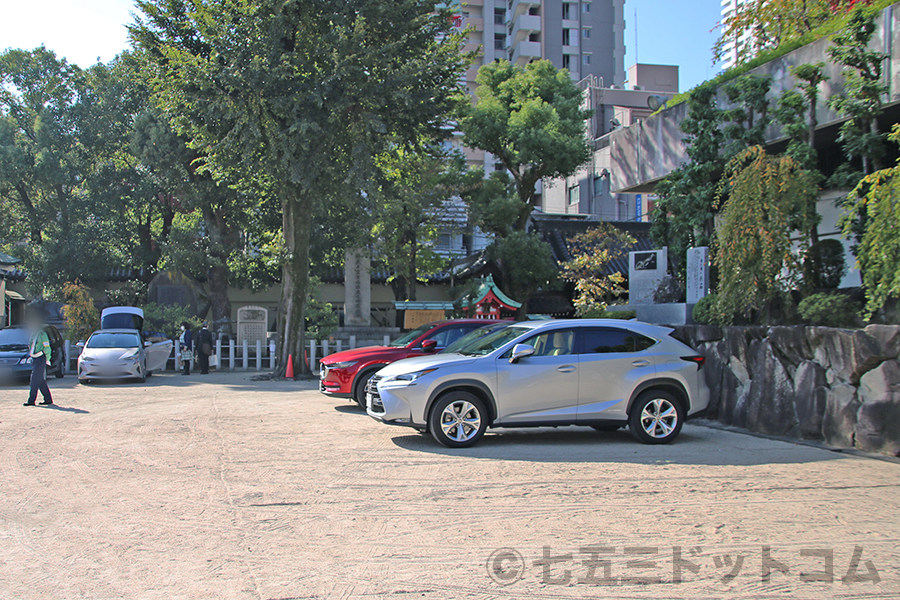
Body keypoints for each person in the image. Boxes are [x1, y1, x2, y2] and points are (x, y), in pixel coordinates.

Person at [23, 308, 53, 407]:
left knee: (34, 380)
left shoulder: (42, 334)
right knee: (40, 381)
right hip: (34, 358)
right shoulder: (33, 334)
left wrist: (48, 359)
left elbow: (47, 347)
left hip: (40, 358)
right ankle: (48, 399)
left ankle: (31, 400)